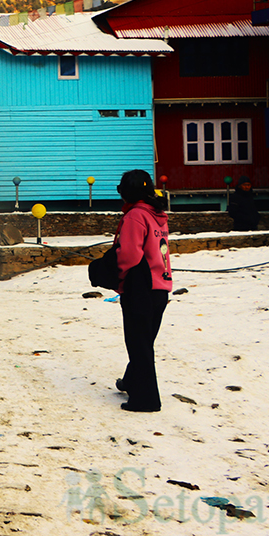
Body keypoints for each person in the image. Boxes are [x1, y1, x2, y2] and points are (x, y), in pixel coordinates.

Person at [112, 169, 172, 412]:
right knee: (144, 341)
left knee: (138, 343)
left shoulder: (135, 216)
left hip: (140, 288)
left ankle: (145, 399)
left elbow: (128, 255)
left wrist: (117, 274)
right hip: (160, 285)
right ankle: (131, 381)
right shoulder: (157, 214)